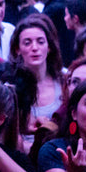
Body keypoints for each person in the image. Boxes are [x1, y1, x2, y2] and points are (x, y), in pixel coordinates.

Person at [10, 15, 64, 148]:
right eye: (27, 43)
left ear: (49, 47)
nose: (34, 48)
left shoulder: (64, 81)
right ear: (17, 49)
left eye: (40, 41)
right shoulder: (10, 85)